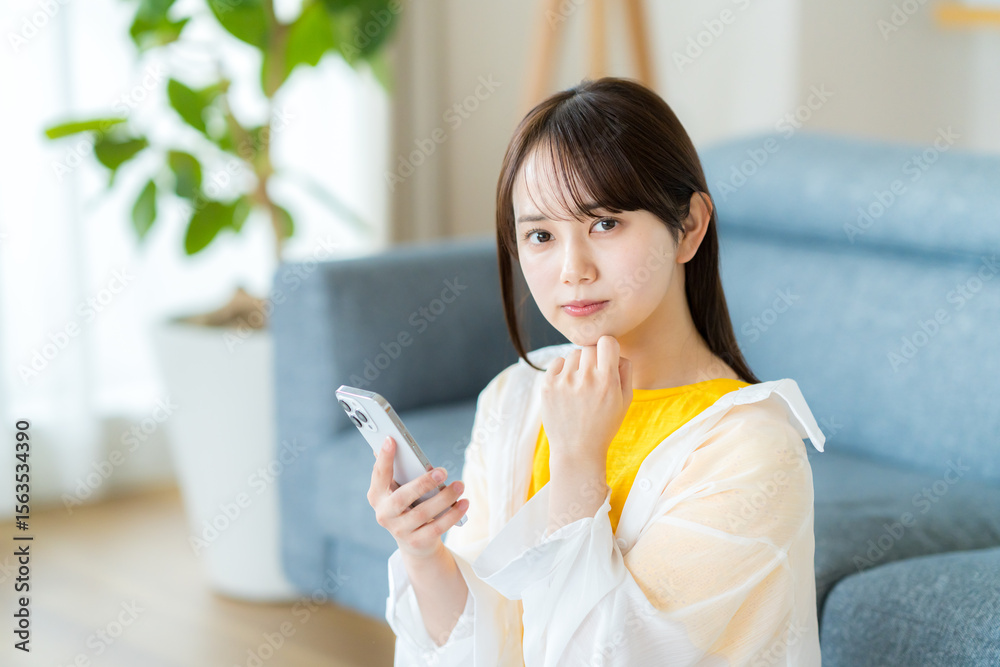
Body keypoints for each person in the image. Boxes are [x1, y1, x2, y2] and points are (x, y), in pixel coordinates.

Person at [369, 76, 826, 666]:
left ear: (689, 226)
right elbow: (487, 644)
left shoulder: (752, 450)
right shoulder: (516, 398)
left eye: (604, 223)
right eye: (540, 235)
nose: (572, 269)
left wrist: (579, 461)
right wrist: (424, 553)